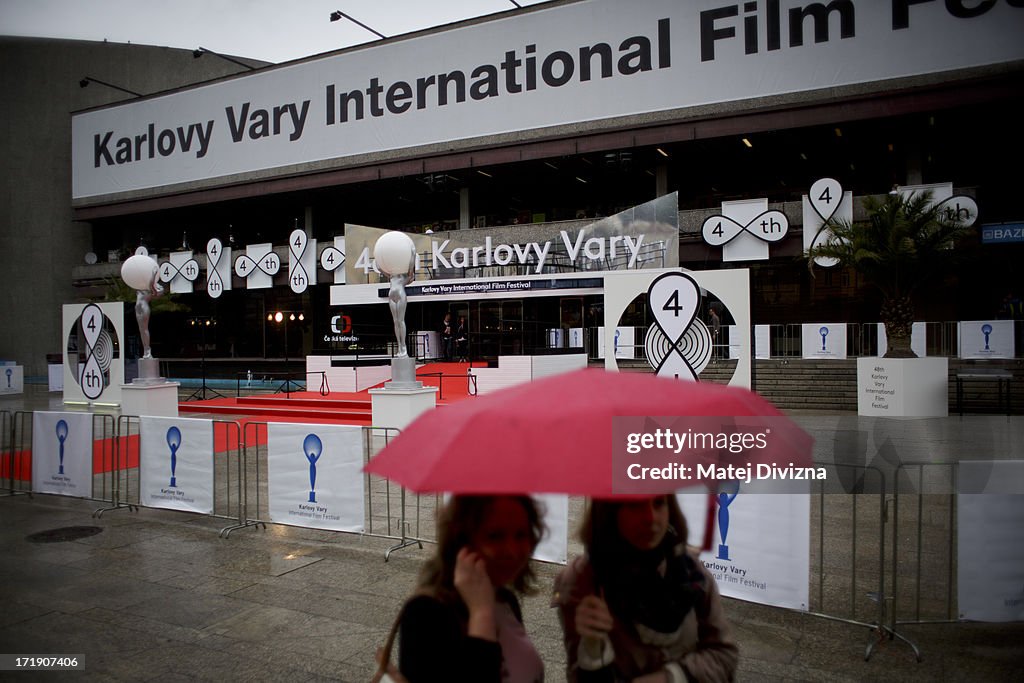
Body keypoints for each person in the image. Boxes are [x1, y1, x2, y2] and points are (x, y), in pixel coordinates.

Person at [553, 495, 738, 683]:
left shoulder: (690, 571)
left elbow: (723, 655)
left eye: (659, 503)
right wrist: (592, 650)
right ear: (610, 511)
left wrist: (671, 677)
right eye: (634, 504)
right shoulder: (582, 581)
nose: (650, 518)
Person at [382, 495, 546, 682]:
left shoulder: (505, 599)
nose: (512, 550)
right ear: (462, 540)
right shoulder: (426, 612)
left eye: (521, 535)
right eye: (494, 536)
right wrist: (481, 614)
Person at [385, 247, 416, 358]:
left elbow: (411, 268)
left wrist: (412, 254)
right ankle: (399, 346)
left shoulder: (405, 275)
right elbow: (382, 268)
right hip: (391, 295)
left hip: (400, 294)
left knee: (401, 320)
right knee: (395, 321)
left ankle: (404, 346)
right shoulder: (391, 274)